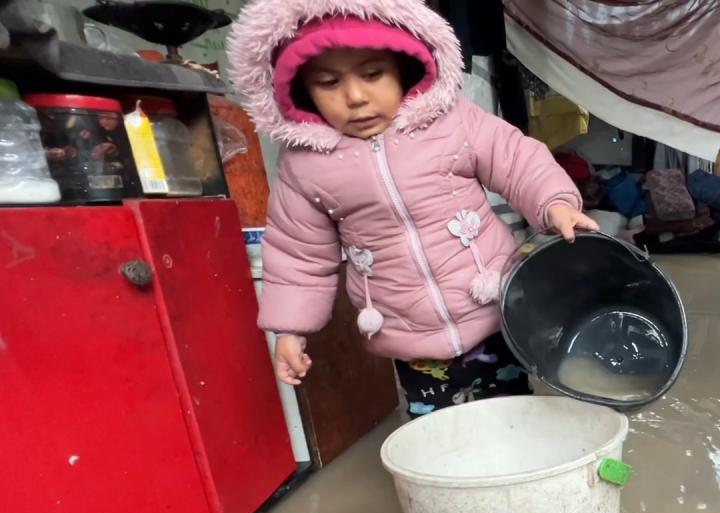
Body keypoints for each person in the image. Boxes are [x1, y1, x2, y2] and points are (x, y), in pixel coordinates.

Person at [227, 0, 597, 417]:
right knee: (434, 435)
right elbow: (299, 253)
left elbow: (518, 161)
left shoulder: (453, 122)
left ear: (403, 67)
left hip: (493, 313)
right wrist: (289, 329)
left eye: (372, 74)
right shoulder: (305, 165)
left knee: (511, 418)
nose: (355, 97)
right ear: (301, 90)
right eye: (328, 82)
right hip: (406, 333)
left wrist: (555, 204)